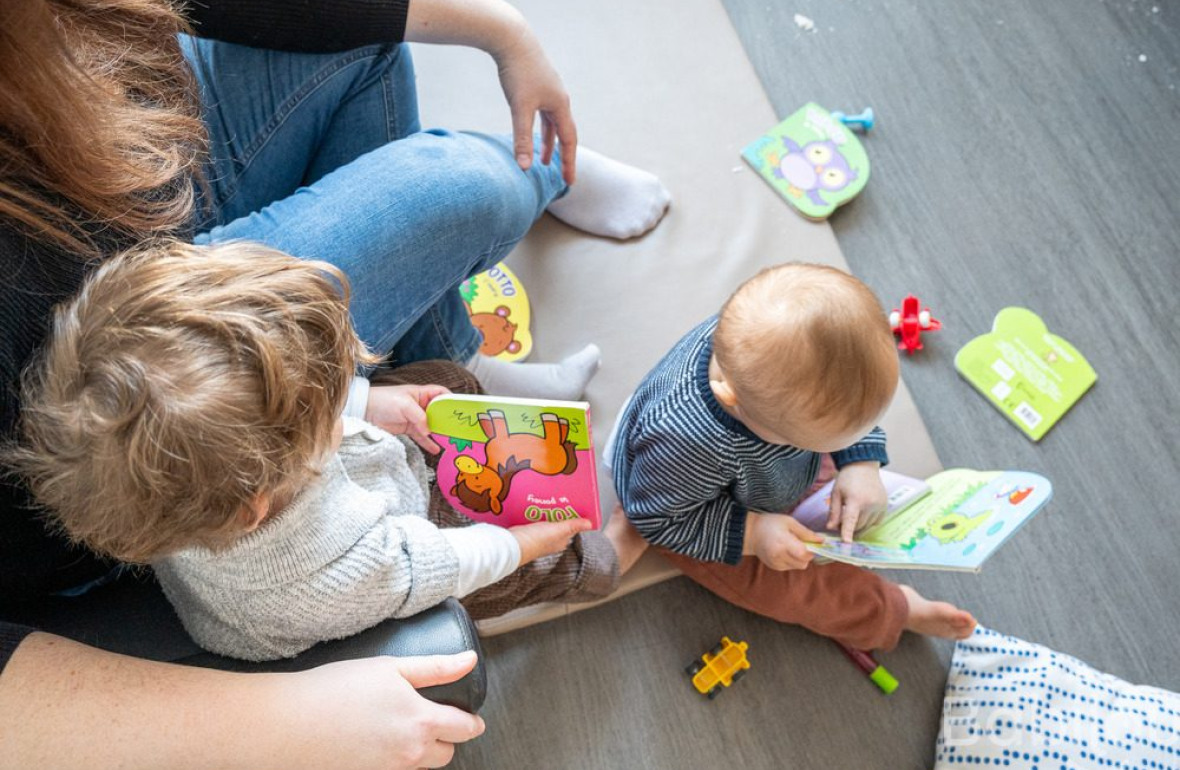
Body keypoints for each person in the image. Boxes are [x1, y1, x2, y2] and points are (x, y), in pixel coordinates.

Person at [0, 0, 664, 766]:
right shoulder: (332, 566)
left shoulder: (190, 479)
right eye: (326, 399)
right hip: (401, 538)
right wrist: (514, 546)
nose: (341, 393)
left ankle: (463, 361)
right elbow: (430, 566)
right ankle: (610, 553)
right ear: (267, 490)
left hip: (178, 359)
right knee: (556, 546)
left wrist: (363, 402)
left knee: (437, 388)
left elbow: (283, 428)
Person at [609, 263, 976, 651]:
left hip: (769, 468)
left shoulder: (760, 352)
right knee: (800, 588)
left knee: (853, 487)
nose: (852, 440)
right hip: (695, 509)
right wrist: (755, 533)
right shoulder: (689, 441)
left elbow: (840, 399)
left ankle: (823, 456)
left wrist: (861, 460)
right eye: (832, 439)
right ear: (733, 400)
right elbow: (657, 519)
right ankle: (893, 610)